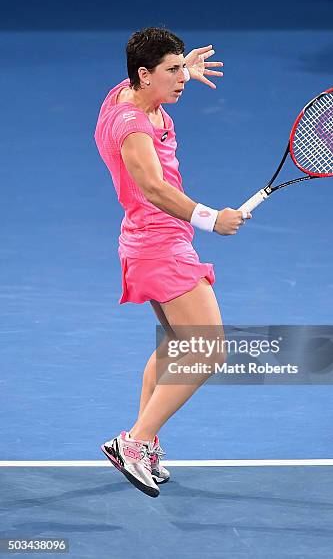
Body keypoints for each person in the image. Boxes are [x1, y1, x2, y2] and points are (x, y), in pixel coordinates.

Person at [94, 27, 251, 497]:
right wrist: (211, 218)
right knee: (207, 349)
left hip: (151, 242)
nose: (182, 79)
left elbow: (145, 81)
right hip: (160, 245)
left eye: (183, 68)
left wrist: (177, 72)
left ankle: (145, 446)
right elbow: (154, 188)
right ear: (144, 76)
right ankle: (134, 442)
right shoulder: (131, 126)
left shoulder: (128, 92)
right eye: (172, 71)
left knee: (179, 346)